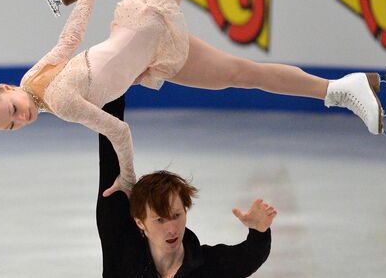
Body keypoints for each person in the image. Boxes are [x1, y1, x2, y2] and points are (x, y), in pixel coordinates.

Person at [0, 0, 386, 196]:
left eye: (13, 111)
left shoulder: (56, 98)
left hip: (143, 22)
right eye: (12, 126)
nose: (23, 118)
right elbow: (70, 41)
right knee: (243, 74)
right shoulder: (34, 83)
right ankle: (341, 90)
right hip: (152, 53)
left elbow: (118, 130)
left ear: (8, 88)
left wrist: (128, 180)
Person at [97, 95, 276, 277]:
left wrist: (258, 231)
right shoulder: (121, 253)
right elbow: (110, 144)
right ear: (140, 222)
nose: (172, 229)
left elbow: (248, 257)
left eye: (176, 215)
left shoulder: (208, 265)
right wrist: (113, 84)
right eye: (160, 220)